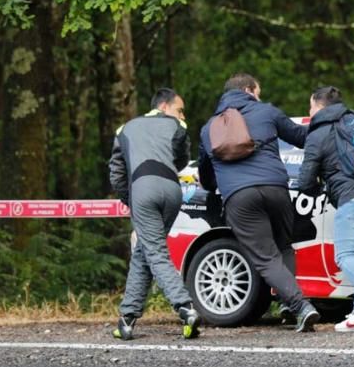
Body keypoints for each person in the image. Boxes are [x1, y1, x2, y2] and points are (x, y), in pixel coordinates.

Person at [197, 73, 319, 331]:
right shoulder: (266, 112)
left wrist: (217, 186)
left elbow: (206, 176)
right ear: (250, 90)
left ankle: (299, 306)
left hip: (240, 197)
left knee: (265, 257)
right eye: (258, 91)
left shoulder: (209, 128)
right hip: (276, 188)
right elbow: (301, 137)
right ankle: (291, 305)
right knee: (284, 246)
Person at [109, 88, 200, 340]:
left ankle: (185, 307)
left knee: (154, 250)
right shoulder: (178, 127)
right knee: (145, 251)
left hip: (143, 189)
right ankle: (126, 319)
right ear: (163, 106)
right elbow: (182, 161)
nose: (183, 115)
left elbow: (116, 172)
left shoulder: (124, 129)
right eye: (179, 109)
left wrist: (131, 200)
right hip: (172, 190)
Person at [295, 85, 354, 332]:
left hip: (352, 200)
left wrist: (320, 190)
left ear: (319, 105)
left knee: (344, 256)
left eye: (311, 105)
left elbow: (305, 181)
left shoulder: (318, 133)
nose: (309, 110)